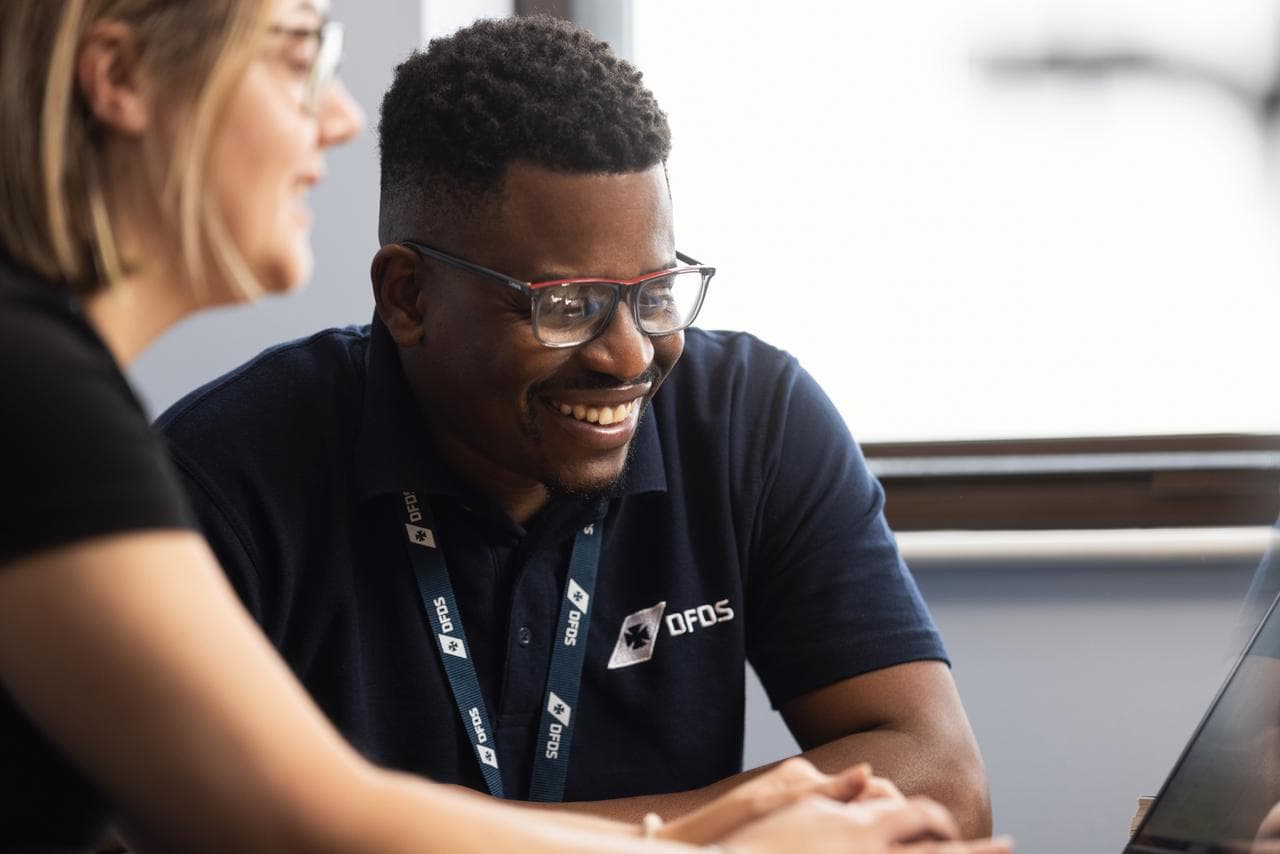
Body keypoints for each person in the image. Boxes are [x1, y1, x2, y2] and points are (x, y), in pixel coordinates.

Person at [0, 2, 1013, 853]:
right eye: (297, 59)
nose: (340, 118)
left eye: (656, 294)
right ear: (119, 78)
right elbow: (301, 815)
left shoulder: (58, 386)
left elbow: (940, 784)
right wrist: (711, 842)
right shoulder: (64, 410)